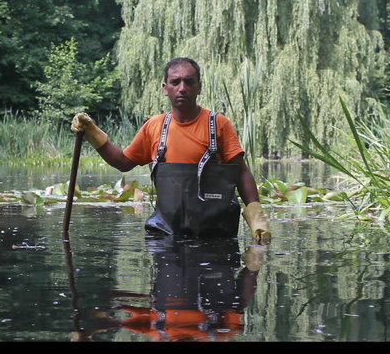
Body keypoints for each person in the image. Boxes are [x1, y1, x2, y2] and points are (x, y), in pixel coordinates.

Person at [71, 57, 270, 241]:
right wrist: (93, 134)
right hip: (165, 234)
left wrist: (255, 216)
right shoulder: (153, 126)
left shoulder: (218, 124)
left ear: (199, 87)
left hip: (215, 235)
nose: (182, 88)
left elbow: (241, 172)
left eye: (189, 82)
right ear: (166, 88)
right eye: (175, 82)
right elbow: (122, 162)